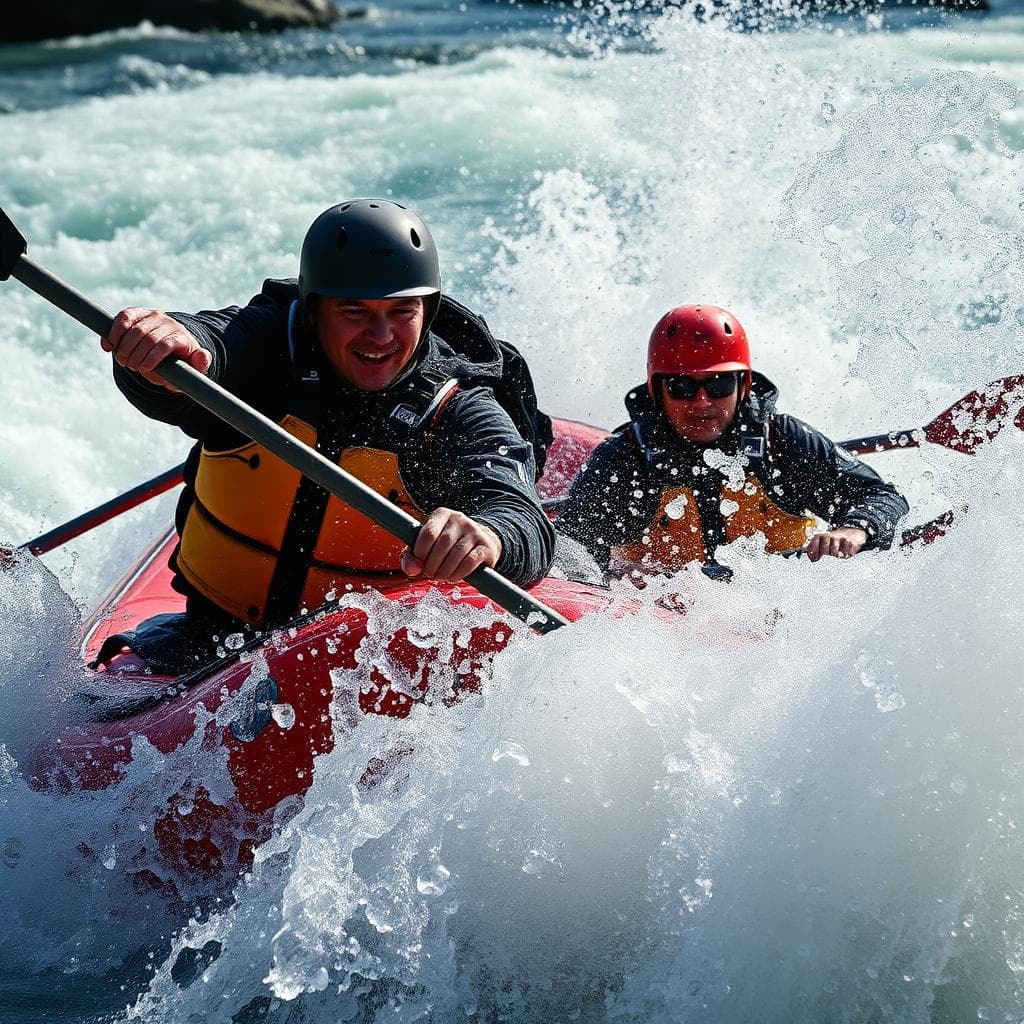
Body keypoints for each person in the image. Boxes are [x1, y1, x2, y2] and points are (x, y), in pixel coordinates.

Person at [100, 199, 555, 662]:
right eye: (355, 312)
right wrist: (161, 348)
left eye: (402, 311)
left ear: (428, 309)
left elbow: (522, 520)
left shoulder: (457, 410)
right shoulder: (268, 348)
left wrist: (489, 536)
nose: (381, 337)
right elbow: (205, 345)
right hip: (212, 636)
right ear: (314, 310)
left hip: (364, 665)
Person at [556, 304, 909, 580]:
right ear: (656, 390)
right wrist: (610, 575)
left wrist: (855, 528)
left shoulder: (781, 442)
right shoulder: (626, 458)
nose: (702, 402)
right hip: (656, 618)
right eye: (682, 386)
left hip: (775, 609)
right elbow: (569, 546)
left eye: (719, 385)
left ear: (744, 385)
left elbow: (880, 496)